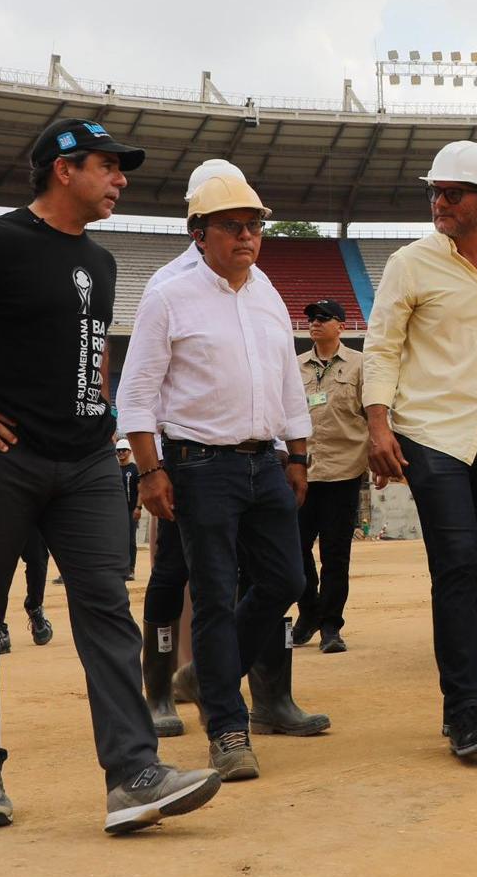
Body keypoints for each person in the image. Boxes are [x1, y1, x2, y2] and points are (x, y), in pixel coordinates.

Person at [0, 115, 220, 834]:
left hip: (88, 459)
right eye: (107, 165)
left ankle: (133, 772)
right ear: (63, 169)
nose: (120, 179)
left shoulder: (101, 261)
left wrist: (101, 413)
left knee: (105, 604)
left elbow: (91, 352)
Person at [118, 172, 328, 784]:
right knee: (211, 595)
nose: (248, 235)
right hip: (200, 464)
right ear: (199, 232)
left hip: (266, 462)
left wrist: (297, 455)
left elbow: (288, 384)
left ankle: (210, 672)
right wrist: (152, 470)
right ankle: (228, 731)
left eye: (255, 225)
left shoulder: (267, 292)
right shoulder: (169, 295)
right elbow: (136, 395)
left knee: (287, 578)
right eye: (233, 225)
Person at [363, 140, 477, 758]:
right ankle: (465, 710)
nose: (439, 203)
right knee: (454, 565)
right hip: (431, 435)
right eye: (435, 193)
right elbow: (383, 346)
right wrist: (379, 424)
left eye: (453, 193)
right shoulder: (409, 264)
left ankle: (464, 702)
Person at [136, 156, 249, 738]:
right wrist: (153, 466)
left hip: (242, 459)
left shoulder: (252, 276)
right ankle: (158, 688)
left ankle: (254, 687)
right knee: (171, 573)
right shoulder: (167, 283)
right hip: (180, 457)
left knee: (242, 576)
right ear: (196, 219)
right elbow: (147, 384)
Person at [293, 299, 368, 654]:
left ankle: (330, 627)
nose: (315, 323)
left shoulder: (359, 365)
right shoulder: (296, 367)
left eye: (323, 318)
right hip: (303, 473)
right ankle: (309, 610)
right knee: (295, 549)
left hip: (344, 470)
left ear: (341, 325)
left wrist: (380, 461)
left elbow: (373, 413)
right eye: (311, 319)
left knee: (336, 555)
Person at [118, 438, 140, 581]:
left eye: (123, 450)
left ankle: (131, 569)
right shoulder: (114, 469)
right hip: (117, 511)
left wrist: (138, 507)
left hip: (131, 509)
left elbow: (141, 490)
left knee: (131, 540)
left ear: (130, 452)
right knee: (118, 541)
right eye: (118, 451)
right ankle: (120, 568)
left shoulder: (134, 469)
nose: (121, 453)